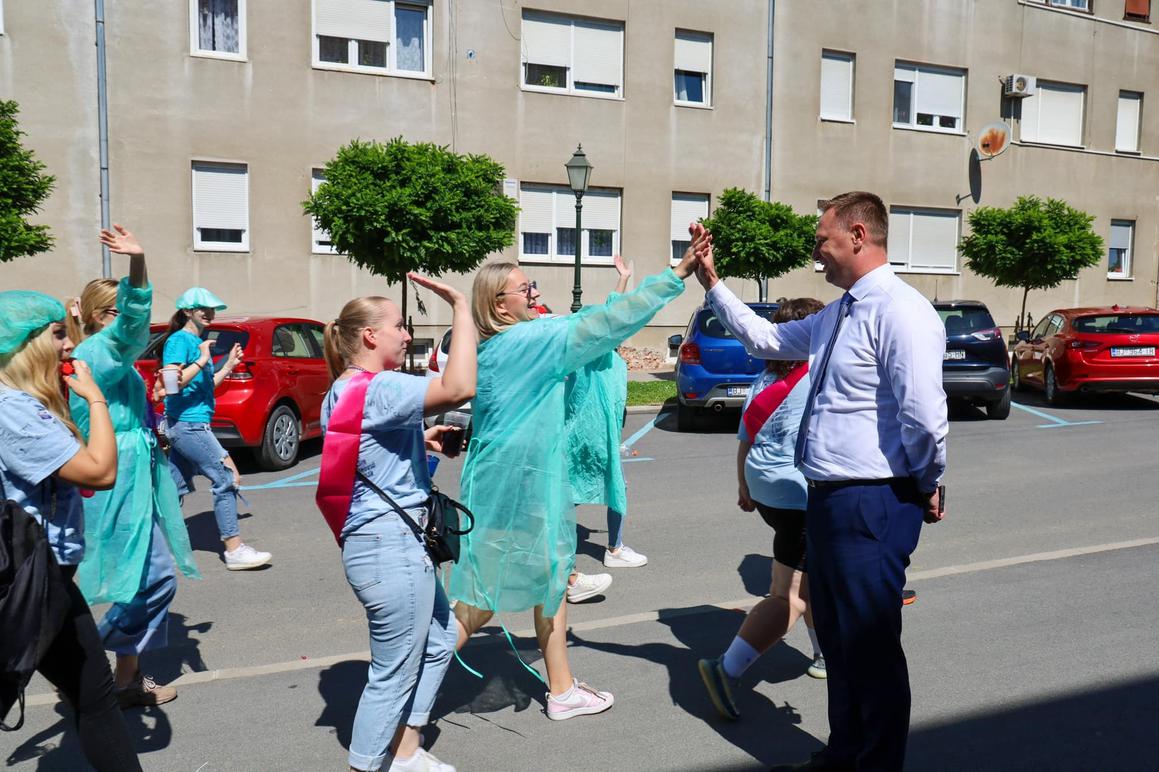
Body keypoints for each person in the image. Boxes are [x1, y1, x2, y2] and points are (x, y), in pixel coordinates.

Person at [694, 193, 947, 771]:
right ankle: (845, 752)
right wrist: (712, 283)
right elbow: (766, 341)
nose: (816, 255)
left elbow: (924, 416)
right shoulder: (840, 311)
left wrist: (928, 481)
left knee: (870, 646)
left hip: (874, 498)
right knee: (837, 638)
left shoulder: (899, 310)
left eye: (823, 241)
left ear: (859, 235)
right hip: (829, 500)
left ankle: (874, 761)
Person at [450, 243, 700, 720]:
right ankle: (411, 674)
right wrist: (677, 273)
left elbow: (594, 323)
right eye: (525, 289)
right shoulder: (529, 342)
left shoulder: (501, 343)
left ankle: (561, 689)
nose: (534, 293)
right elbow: (604, 325)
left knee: (550, 580)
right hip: (519, 486)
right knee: (484, 598)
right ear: (499, 304)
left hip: (504, 481)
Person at [317, 274, 472, 772]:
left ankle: (405, 751)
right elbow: (459, 386)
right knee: (393, 673)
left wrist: (421, 441)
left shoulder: (347, 389)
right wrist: (461, 306)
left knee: (442, 638)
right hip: (390, 545)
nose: (407, 335)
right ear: (369, 336)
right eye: (400, 326)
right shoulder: (381, 387)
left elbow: (363, 454)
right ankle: (367, 765)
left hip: (384, 541)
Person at [0, 291, 143, 771]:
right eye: (58, 334)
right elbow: (99, 470)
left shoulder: (25, 402)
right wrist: (95, 398)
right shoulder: (12, 410)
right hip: (25, 582)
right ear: (25, 344)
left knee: (92, 691)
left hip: (44, 577)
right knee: (92, 694)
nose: (69, 345)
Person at [67, 225, 200, 708]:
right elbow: (135, 321)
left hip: (132, 474)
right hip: (115, 478)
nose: (137, 329)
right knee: (151, 577)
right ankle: (89, 657)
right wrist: (138, 264)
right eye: (124, 315)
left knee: (139, 576)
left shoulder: (102, 355)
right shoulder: (99, 350)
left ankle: (125, 678)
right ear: (111, 315)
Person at [698, 297, 827, 721]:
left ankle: (823, 655)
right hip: (799, 497)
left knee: (807, 579)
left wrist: (743, 485)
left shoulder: (765, 376)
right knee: (786, 593)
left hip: (762, 487)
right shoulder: (816, 376)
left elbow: (745, 438)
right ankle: (726, 669)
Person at [162, 287, 271, 570]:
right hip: (189, 426)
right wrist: (200, 359)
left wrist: (229, 365)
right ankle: (234, 550)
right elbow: (173, 385)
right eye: (203, 309)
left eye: (212, 309)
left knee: (173, 488)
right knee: (227, 478)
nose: (209, 314)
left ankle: (158, 545)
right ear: (187, 312)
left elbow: (207, 386)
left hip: (191, 424)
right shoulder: (179, 341)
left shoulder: (199, 342)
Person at [565, 253, 648, 594]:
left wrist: (624, 278)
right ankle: (607, 551)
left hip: (600, 435)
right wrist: (622, 285)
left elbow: (613, 314)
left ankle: (609, 547)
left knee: (594, 492)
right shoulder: (592, 355)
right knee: (578, 495)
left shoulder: (608, 356)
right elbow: (613, 313)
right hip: (587, 437)